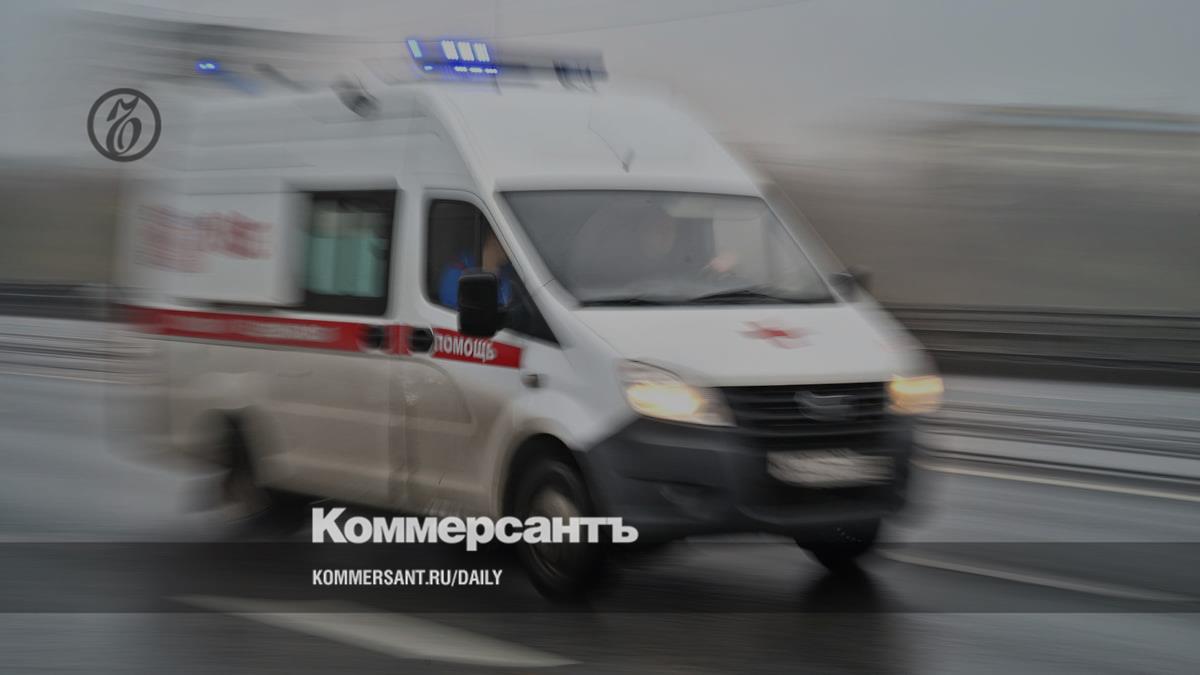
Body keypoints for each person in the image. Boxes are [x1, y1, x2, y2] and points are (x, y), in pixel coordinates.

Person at [437, 229, 514, 309]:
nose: (511, 249)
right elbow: (455, 312)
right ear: (492, 241)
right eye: (506, 242)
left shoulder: (506, 271)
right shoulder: (455, 273)